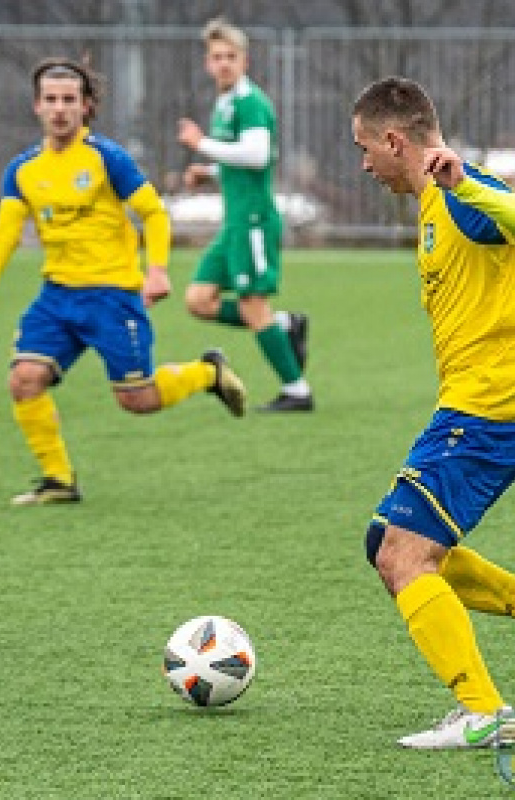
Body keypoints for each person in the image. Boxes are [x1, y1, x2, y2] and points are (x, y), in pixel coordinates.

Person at [0, 57, 246, 506]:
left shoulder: (107, 159)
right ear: (36, 105)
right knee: (24, 379)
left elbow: (153, 212)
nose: (59, 109)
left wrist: (156, 270)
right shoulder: (23, 170)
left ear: (86, 106)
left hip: (113, 298)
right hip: (57, 298)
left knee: (138, 399)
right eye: (50, 99)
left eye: (69, 100)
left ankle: (207, 372)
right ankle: (58, 479)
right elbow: (5, 233)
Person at [353, 76, 515, 763]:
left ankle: (484, 712)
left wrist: (464, 185)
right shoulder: (432, 207)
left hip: (489, 410)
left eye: (365, 147)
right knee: (382, 540)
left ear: (395, 140)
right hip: (475, 407)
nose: (364, 163)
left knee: (402, 554)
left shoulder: (462, 197)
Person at [178, 18, 313, 412]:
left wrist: (201, 144)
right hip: (234, 223)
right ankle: (284, 326)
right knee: (199, 299)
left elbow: (257, 155)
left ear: (245, 61)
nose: (223, 64)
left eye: (230, 57)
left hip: (253, 221)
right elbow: (243, 158)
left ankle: (297, 391)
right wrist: (212, 172)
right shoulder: (226, 103)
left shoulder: (251, 102)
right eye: (216, 57)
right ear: (207, 63)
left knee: (253, 306)